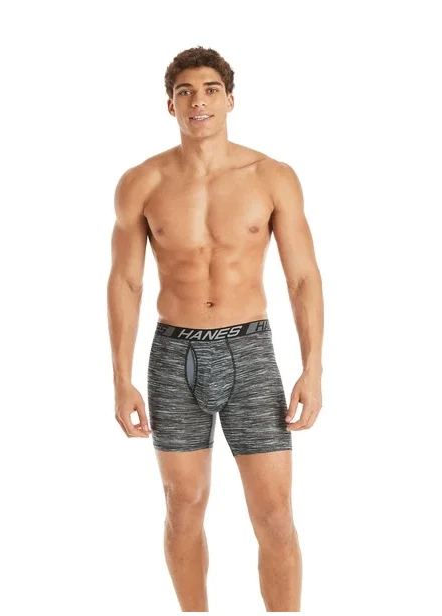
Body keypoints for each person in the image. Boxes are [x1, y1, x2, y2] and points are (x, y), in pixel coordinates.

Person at [107, 46, 324, 612]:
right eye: (184, 92)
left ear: (230, 100)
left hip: (249, 351)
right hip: (173, 354)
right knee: (183, 507)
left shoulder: (271, 177)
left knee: (274, 514)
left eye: (209, 90)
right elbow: (125, 282)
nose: (197, 102)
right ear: (170, 105)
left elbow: (302, 277)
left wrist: (313, 367)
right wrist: (121, 380)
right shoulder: (142, 182)